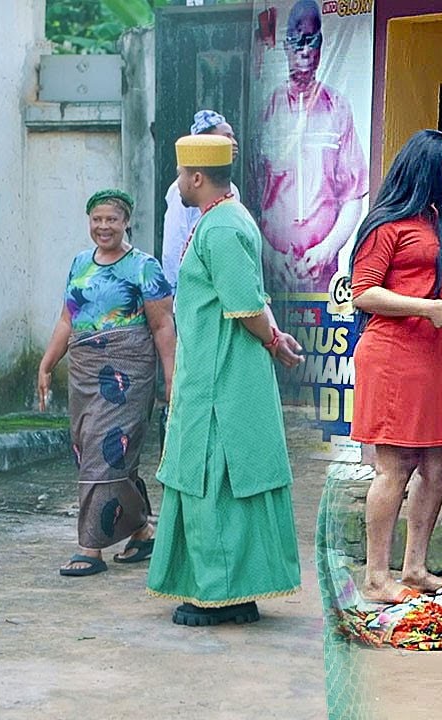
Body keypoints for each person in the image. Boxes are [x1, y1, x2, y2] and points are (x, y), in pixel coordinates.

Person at [148, 134, 304, 627]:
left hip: (218, 379)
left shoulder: (219, 228)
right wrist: (274, 337)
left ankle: (216, 593)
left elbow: (244, 305)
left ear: (196, 177)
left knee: (208, 479)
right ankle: (238, 593)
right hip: (221, 372)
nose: (177, 184)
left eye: (180, 176)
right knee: (232, 481)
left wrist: (275, 343)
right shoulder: (229, 217)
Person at [349, 130, 442, 603]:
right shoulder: (387, 224)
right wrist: (424, 306)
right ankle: (377, 577)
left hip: (433, 356)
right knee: (395, 466)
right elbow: (363, 292)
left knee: (441, 462)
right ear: (426, 171)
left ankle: (414, 568)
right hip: (396, 355)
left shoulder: (434, 219)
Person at [37, 189, 176, 577]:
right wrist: (48, 362)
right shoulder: (80, 263)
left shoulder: (143, 267)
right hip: (83, 370)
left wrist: (171, 377)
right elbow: (67, 319)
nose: (103, 227)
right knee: (93, 449)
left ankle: (90, 547)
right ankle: (141, 529)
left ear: (126, 221)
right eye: (97, 220)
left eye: (111, 219)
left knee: (106, 448)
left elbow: (163, 325)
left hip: (126, 371)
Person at [257, 0, 368, 293]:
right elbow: (246, 194)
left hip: (323, 273)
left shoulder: (338, 107)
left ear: (321, 44)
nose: (305, 51)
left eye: (312, 41)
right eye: (297, 41)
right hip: (269, 271)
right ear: (285, 46)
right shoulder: (265, 109)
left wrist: (328, 249)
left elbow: (353, 196)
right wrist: (269, 256)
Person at [160, 109, 241, 291]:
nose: (234, 143)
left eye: (233, 137)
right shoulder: (183, 190)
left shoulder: (232, 189)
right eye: (226, 137)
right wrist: (178, 291)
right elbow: (173, 245)